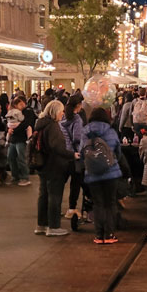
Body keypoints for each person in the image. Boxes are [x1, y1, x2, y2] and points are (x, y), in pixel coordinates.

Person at [82, 107, 125, 244]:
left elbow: (82, 151)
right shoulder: (110, 131)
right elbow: (118, 152)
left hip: (92, 174)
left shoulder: (85, 131)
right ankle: (109, 234)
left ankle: (98, 235)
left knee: (98, 204)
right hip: (111, 173)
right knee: (110, 203)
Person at [32, 100, 74, 237]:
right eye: (61, 112)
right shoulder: (53, 127)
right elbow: (57, 147)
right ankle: (54, 226)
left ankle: (41, 225)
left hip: (42, 164)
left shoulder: (40, 124)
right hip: (54, 165)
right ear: (55, 112)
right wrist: (72, 154)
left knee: (43, 195)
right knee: (55, 195)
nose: (63, 114)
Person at [61, 94, 87, 226]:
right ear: (78, 105)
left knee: (61, 181)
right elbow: (77, 137)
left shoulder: (62, 116)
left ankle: (56, 207)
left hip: (63, 154)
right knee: (76, 182)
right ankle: (72, 208)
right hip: (75, 154)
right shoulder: (77, 118)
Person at [6, 96, 36, 186]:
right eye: (19, 104)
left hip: (22, 139)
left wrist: (14, 130)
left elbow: (26, 124)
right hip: (13, 139)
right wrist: (9, 129)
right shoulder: (13, 112)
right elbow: (7, 122)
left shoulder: (28, 111)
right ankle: (15, 176)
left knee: (21, 158)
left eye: (22, 103)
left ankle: (25, 177)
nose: (21, 105)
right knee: (11, 157)